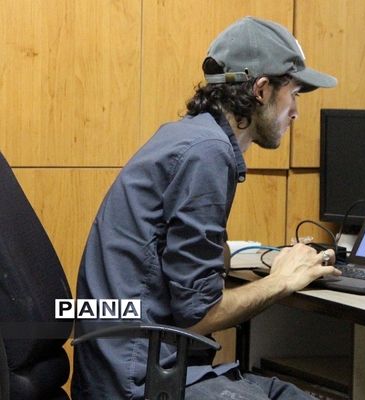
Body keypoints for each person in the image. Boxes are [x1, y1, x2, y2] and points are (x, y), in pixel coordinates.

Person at [71, 16, 340, 400]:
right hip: (140, 380)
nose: (295, 111)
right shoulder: (207, 152)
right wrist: (281, 280)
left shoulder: (189, 136)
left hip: (132, 365)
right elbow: (199, 315)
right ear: (261, 90)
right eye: (294, 93)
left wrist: (258, 261)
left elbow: (172, 260)